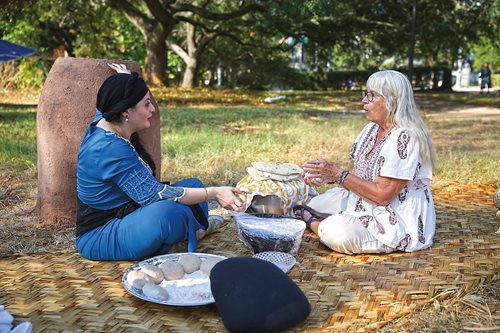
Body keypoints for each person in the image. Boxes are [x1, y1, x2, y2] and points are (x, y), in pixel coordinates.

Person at [76, 63, 244, 261]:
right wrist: (214, 193)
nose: (153, 109)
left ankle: (188, 235)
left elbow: (109, 102)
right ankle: (193, 234)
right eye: (146, 104)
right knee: (169, 212)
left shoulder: (104, 120)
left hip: (131, 214)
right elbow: (156, 195)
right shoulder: (108, 150)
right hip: (100, 234)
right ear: (126, 112)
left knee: (194, 185)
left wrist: (127, 79)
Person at [294, 70, 437, 254]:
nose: (364, 100)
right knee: (315, 204)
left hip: (395, 215)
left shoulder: (405, 137)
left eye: (372, 95)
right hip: (364, 201)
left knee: (335, 232)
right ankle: (322, 217)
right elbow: (356, 177)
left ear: (393, 101)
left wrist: (338, 174)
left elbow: (383, 196)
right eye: (365, 94)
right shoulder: (371, 129)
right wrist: (327, 178)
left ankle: (315, 223)